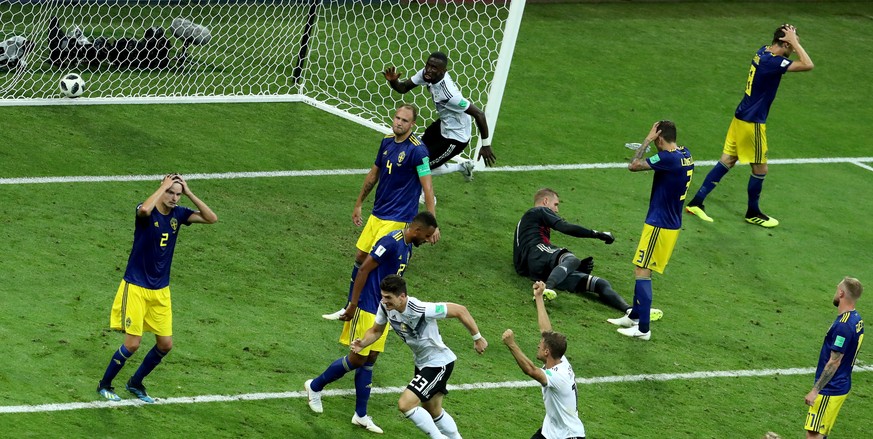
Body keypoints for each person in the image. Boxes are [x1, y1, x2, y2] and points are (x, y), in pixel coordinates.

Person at [304, 212, 439, 434]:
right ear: (416, 230)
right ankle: (315, 386)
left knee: (371, 358)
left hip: (384, 309)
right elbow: (364, 268)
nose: (427, 240)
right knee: (358, 357)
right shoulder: (390, 242)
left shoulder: (407, 246)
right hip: (367, 305)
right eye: (426, 236)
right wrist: (352, 303)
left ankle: (361, 414)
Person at [96, 174, 218, 402]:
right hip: (136, 286)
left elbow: (211, 218)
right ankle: (104, 385)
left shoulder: (179, 214)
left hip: (161, 290)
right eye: (170, 192)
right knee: (132, 343)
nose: (173, 198)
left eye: (177, 194)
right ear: (162, 190)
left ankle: (135, 383)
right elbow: (143, 210)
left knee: (165, 344)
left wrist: (189, 193)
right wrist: (162, 187)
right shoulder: (147, 212)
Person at [685, 24, 814, 228]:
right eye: (793, 41)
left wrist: (791, 39)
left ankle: (696, 202)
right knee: (760, 168)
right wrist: (795, 43)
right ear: (786, 43)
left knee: (728, 159)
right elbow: (808, 65)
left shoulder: (763, 51)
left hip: (740, 116)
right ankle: (753, 212)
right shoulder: (774, 62)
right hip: (752, 121)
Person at [322, 103, 439, 320]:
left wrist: (433, 224)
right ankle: (350, 306)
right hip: (377, 214)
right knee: (360, 256)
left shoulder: (418, 150)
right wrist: (359, 203)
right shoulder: (386, 141)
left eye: (404, 120)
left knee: (383, 267)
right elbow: (373, 174)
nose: (399, 123)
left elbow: (428, 187)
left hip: (399, 218)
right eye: (397, 118)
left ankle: (382, 313)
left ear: (413, 124)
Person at [349, 275, 487, 439]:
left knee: (405, 404)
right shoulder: (385, 307)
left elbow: (460, 310)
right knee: (433, 411)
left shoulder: (420, 309)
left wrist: (477, 338)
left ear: (402, 296)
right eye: (382, 296)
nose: (384, 301)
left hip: (439, 363)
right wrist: (363, 343)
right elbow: (376, 330)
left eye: (388, 297)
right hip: (422, 363)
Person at [513, 188, 662, 322]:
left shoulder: (529, 223)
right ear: (546, 201)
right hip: (534, 254)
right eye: (556, 204)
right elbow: (564, 227)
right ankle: (546, 289)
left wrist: (576, 268)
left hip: (535, 267)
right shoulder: (538, 211)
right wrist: (597, 234)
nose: (556, 210)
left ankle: (631, 311)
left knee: (599, 283)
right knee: (570, 258)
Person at [608, 121, 693, 341]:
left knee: (642, 270)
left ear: (659, 138)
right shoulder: (685, 154)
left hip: (660, 224)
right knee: (641, 267)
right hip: (669, 222)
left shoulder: (668, 158)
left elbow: (633, 165)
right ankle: (634, 316)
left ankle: (643, 329)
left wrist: (646, 139)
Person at [383, 51, 493, 184]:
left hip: (456, 136)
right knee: (418, 155)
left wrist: (485, 145)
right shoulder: (426, 75)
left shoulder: (450, 94)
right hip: (443, 125)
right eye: (428, 65)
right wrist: (394, 82)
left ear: (443, 71)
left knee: (422, 167)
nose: (429, 70)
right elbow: (403, 88)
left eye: (434, 68)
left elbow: (479, 114)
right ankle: (463, 167)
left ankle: (428, 196)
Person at [502, 281, 587, 439]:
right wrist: (539, 297)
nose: (538, 345)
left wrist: (512, 345)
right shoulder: (560, 358)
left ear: (547, 351)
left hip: (567, 436)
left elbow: (531, 370)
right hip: (550, 431)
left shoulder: (557, 376)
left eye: (540, 345)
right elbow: (546, 331)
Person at [803, 277, 864, 439]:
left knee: (813, 436)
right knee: (820, 434)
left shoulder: (843, 326)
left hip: (830, 389)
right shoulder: (856, 319)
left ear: (842, 293)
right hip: (841, 384)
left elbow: (834, 361)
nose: (835, 293)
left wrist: (816, 390)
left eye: (837, 289)